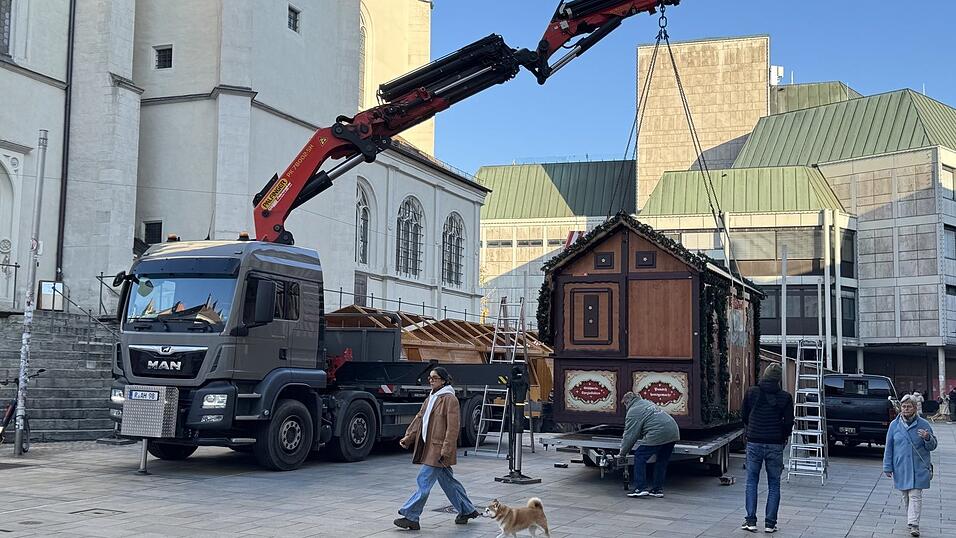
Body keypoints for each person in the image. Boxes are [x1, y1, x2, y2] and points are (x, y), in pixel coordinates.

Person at [393, 367, 479, 531]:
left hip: (438, 449)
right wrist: (409, 437)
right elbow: (420, 418)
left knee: (423, 481)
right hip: (429, 446)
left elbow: (453, 428)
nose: (431, 380)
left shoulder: (449, 399)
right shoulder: (431, 397)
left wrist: (446, 450)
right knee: (448, 482)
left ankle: (411, 516)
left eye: (435, 378)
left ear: (444, 380)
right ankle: (467, 510)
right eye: (430, 378)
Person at [741, 363, 794, 534]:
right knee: (774, 484)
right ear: (778, 379)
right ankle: (770, 524)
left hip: (754, 442)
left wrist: (752, 429)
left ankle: (750, 521)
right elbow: (788, 422)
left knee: (751, 481)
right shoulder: (785, 397)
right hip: (775, 444)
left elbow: (744, 415)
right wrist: (783, 436)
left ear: (764, 375)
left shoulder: (751, 392)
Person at [883, 394, 937, 537]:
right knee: (906, 496)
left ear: (915, 408)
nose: (906, 409)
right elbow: (889, 447)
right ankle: (911, 519)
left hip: (918, 466)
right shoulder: (894, 425)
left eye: (909, 406)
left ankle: (914, 524)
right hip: (901, 466)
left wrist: (927, 437)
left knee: (915, 495)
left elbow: (933, 446)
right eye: (904, 406)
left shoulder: (924, 424)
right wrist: (887, 467)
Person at [618, 391, 680, 498]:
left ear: (627, 402)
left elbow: (630, 435)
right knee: (661, 460)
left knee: (640, 455)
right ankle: (657, 489)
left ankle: (640, 488)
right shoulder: (646, 403)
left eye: (624, 405)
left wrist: (622, 453)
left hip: (658, 432)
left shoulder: (633, 411)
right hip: (673, 430)